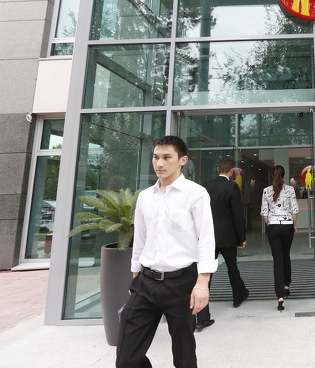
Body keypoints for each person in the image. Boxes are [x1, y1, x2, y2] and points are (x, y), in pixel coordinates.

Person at [116, 135, 217, 368]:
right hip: (146, 282)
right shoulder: (145, 197)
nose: (159, 163)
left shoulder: (196, 193)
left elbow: (206, 239)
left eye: (166, 157)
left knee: (183, 356)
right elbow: (140, 239)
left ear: (183, 160)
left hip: (181, 284)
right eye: (156, 157)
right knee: (126, 359)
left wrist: (202, 283)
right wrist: (135, 275)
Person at [196, 158, 249, 332]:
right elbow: (237, 214)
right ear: (231, 172)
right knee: (232, 268)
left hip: (208, 237)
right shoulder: (232, 187)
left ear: (218, 169)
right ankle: (238, 297)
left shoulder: (205, 186)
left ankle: (202, 317)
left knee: (206, 274)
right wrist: (241, 236)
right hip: (228, 237)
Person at [261, 165, 299, 311]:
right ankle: (286, 285)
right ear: (283, 176)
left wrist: (270, 225)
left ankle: (280, 296)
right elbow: (295, 209)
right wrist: (293, 225)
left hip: (273, 226)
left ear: (272, 176)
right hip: (287, 226)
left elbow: (264, 213)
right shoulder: (290, 190)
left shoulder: (266, 191)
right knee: (286, 255)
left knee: (277, 260)